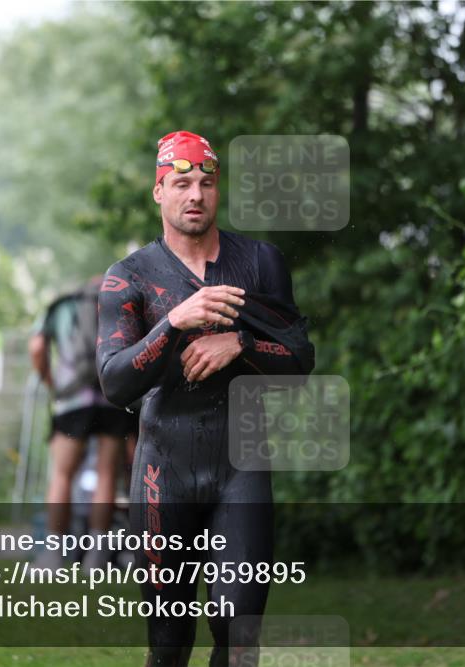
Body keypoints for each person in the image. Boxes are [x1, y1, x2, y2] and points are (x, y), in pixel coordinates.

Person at [96, 131, 315, 667]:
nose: (195, 194)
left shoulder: (260, 263)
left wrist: (239, 342)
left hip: (241, 466)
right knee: (170, 645)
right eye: (182, 183)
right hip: (162, 473)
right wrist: (174, 322)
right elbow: (115, 382)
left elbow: (300, 362)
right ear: (159, 192)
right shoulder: (130, 279)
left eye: (207, 183)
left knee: (239, 639)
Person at [28, 276, 136, 571]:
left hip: (72, 399)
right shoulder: (117, 304)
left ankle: (52, 556)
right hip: (111, 399)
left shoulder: (62, 304)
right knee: (106, 475)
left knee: (62, 474)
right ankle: (96, 557)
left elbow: (37, 347)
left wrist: (52, 383)